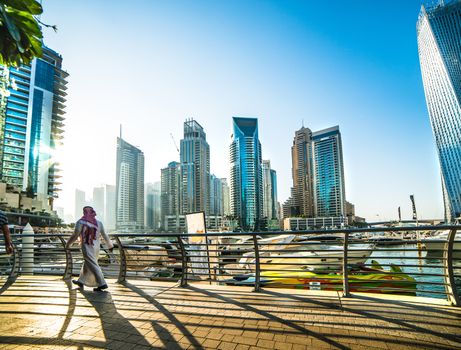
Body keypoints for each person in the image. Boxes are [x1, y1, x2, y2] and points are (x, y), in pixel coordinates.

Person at [66, 206, 113, 291]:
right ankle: (81, 281)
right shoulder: (99, 223)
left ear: (84, 212)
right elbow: (104, 234)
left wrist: (68, 244)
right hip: (96, 247)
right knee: (89, 262)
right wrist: (110, 245)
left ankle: (102, 283)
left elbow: (75, 235)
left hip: (87, 246)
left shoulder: (80, 222)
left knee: (92, 264)